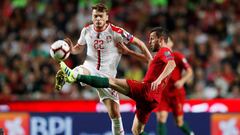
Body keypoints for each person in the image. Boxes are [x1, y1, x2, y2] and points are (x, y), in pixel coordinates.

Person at [55, 3, 152, 135]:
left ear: (107, 17)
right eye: (95, 16)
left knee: (115, 114)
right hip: (90, 67)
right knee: (82, 70)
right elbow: (79, 47)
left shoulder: (116, 32)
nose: (98, 19)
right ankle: (72, 75)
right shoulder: (86, 30)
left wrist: (149, 57)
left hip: (108, 77)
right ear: (92, 17)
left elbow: (139, 43)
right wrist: (72, 49)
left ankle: (72, 75)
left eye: (101, 16)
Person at [58, 27, 176, 135]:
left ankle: (74, 76)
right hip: (153, 99)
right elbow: (149, 61)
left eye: (152, 39)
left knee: (111, 82)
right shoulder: (159, 56)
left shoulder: (165, 51)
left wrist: (159, 80)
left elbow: (172, 63)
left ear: (161, 39)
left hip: (146, 90)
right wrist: (128, 52)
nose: (149, 41)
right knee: (136, 131)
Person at [156, 37, 194, 135]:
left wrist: (182, 81)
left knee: (179, 122)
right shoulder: (158, 58)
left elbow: (189, 71)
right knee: (161, 117)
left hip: (176, 93)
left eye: (167, 41)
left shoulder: (177, 56)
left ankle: (191, 133)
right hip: (163, 93)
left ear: (172, 43)